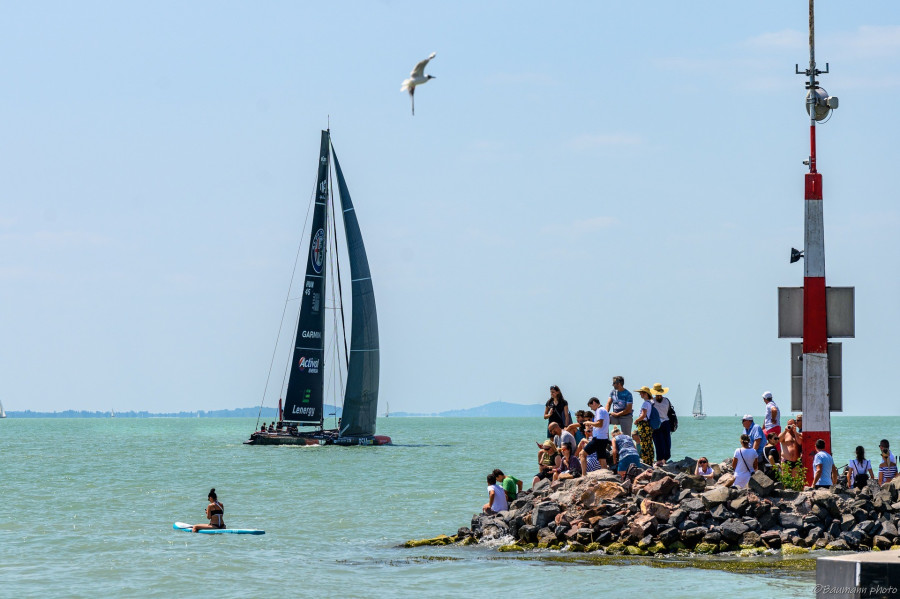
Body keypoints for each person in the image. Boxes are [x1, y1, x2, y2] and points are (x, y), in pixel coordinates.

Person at [579, 397, 610, 471]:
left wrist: (589, 422)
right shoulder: (604, 410)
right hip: (603, 438)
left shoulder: (600, 410)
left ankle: (583, 475)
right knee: (602, 460)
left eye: (591, 406)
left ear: (594, 402)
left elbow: (600, 424)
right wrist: (592, 424)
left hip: (598, 438)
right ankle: (605, 475)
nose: (591, 409)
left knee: (582, 454)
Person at [631, 386, 655, 466]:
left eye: (641, 393)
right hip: (648, 425)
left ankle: (646, 461)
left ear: (645, 394)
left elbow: (643, 415)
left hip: (643, 425)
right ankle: (650, 460)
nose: (640, 394)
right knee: (649, 443)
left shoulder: (645, 403)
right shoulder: (650, 403)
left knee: (644, 443)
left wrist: (637, 420)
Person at [650, 383, 672, 467]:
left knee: (664, 442)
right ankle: (662, 459)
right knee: (661, 442)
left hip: (663, 422)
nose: (658, 396)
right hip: (661, 423)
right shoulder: (654, 401)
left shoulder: (664, 401)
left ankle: (663, 459)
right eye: (657, 394)